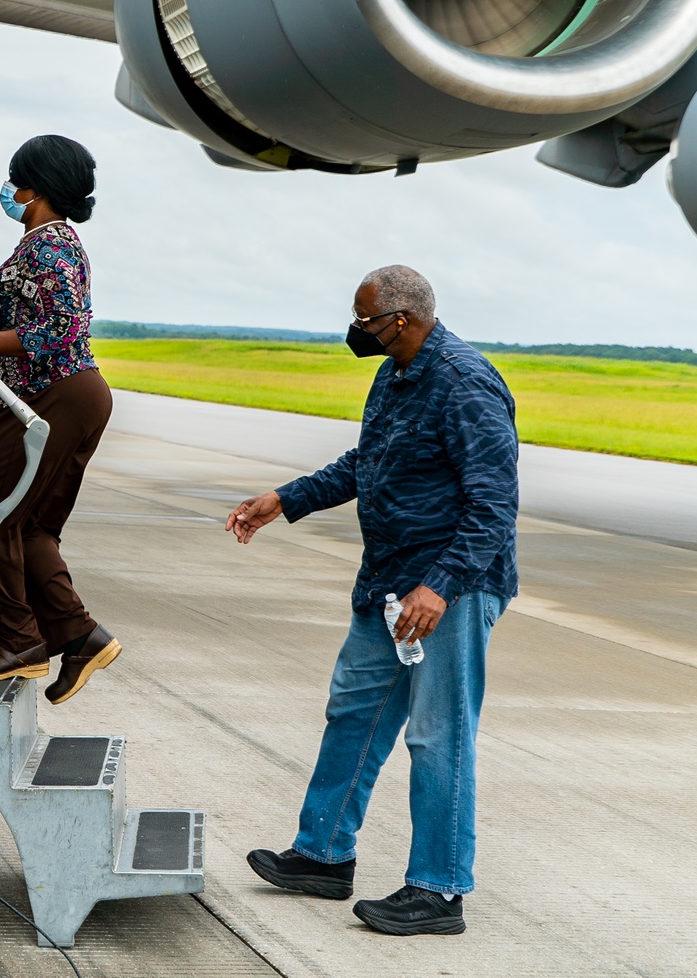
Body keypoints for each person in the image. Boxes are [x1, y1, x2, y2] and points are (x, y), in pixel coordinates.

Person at [226, 265, 517, 937]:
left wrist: (440, 585)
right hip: (387, 584)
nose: (356, 331)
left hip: (449, 590)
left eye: (365, 320)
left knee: (437, 737)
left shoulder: (467, 385)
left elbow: (494, 505)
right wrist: (284, 499)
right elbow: (365, 464)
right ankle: (323, 855)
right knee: (352, 714)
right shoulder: (394, 376)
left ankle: (439, 892)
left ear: (403, 320)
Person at [0, 136, 121, 704]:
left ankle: (20, 642)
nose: (8, 189)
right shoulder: (47, 244)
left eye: (13, 179)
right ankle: (80, 636)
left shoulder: (48, 244)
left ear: (32, 189)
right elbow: (32, 316)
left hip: (51, 395)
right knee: (30, 525)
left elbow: (64, 324)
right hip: (73, 394)